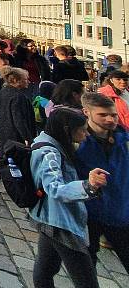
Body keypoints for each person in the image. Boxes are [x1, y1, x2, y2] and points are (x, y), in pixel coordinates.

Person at [30, 107, 108, 288]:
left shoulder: (49, 143)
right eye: (82, 130)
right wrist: (88, 186)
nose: (86, 134)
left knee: (46, 267)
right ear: (67, 130)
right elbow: (54, 188)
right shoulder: (49, 153)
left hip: (50, 217)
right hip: (60, 220)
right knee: (86, 279)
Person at [76, 92, 129, 271]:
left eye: (113, 115)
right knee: (87, 263)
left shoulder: (124, 140)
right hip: (88, 212)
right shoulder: (77, 141)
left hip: (119, 210)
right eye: (103, 115)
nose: (110, 119)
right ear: (87, 112)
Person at [0, 66, 36, 191]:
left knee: (6, 156)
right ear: (16, 80)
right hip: (13, 132)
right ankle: (5, 183)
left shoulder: (5, 90)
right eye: (25, 79)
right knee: (10, 158)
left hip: (4, 128)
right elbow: (19, 119)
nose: (28, 81)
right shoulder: (18, 97)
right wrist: (27, 137)